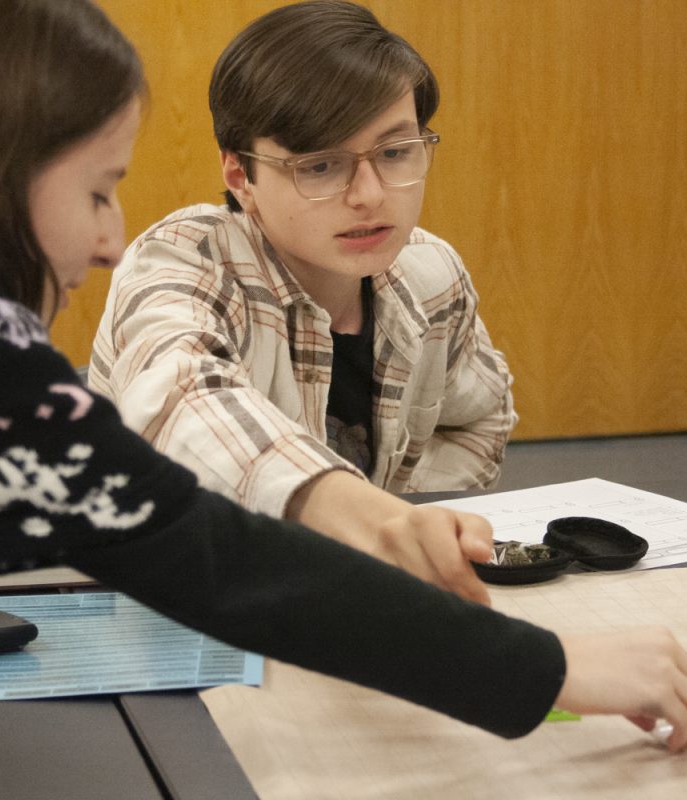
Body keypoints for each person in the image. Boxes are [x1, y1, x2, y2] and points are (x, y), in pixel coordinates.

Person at [0, 0, 687, 796]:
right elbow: (203, 536)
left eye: (396, 151)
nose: (109, 235)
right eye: (99, 187)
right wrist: (546, 670)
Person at [88, 1, 510, 606]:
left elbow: (479, 415)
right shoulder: (184, 259)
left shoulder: (429, 271)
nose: (368, 196)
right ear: (240, 176)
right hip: (173, 600)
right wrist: (371, 522)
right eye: (320, 165)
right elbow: (182, 402)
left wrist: (408, 528)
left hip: (347, 604)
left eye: (394, 153)